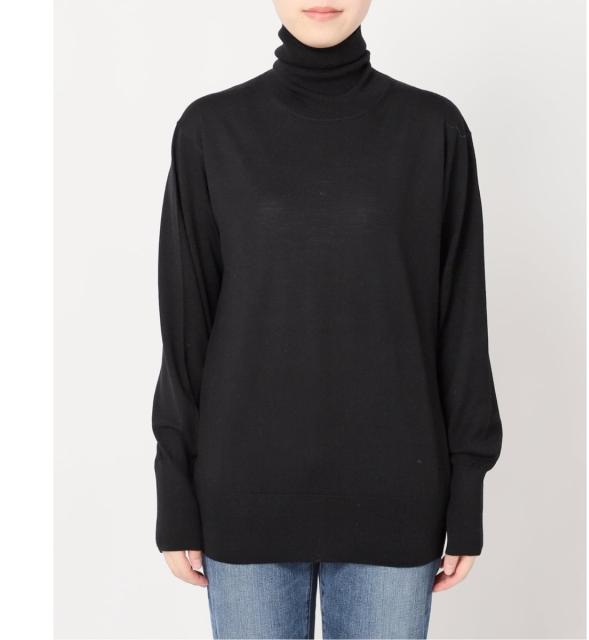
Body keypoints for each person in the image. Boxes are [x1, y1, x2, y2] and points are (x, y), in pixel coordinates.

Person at [151, 1, 503, 638]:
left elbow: (461, 323)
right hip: (244, 494)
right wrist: (175, 492)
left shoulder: (432, 129)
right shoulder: (211, 129)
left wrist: (468, 489)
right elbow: (185, 326)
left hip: (396, 493)